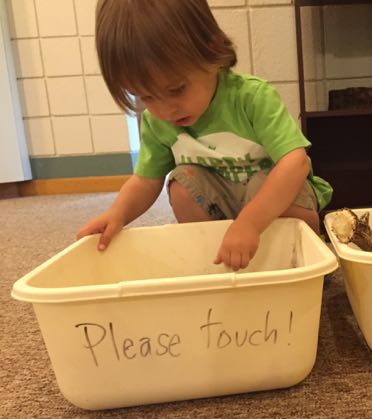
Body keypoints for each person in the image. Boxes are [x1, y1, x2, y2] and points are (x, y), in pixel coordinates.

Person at [77, 0, 332, 270]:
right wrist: (118, 214)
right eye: (146, 97)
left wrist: (250, 222)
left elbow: (295, 164)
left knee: (266, 183)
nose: (166, 110)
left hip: (272, 199)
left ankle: (300, 258)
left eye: (176, 89)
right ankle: (218, 258)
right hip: (221, 206)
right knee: (181, 183)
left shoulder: (252, 97)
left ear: (212, 50)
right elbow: (145, 181)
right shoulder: (157, 121)